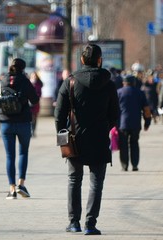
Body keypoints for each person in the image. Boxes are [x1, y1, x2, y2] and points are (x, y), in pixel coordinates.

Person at [54, 44, 120, 235]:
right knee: (96, 182)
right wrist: (103, 128)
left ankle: (74, 222)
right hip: (99, 139)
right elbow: (115, 115)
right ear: (100, 60)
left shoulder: (71, 82)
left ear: (82, 60)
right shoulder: (108, 83)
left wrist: (63, 134)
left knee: (74, 179)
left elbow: (59, 114)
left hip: (75, 139)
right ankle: (90, 224)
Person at [0, 58, 39, 200]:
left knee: (9, 156)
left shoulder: (1, 81)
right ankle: (21, 184)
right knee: (23, 153)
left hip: (6, 123)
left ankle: (11, 189)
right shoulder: (24, 81)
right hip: (24, 122)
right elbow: (35, 100)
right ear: (23, 69)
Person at [117, 75, 151, 171]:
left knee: (123, 145)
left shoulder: (118, 92)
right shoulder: (140, 93)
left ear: (123, 83)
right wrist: (147, 122)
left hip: (122, 124)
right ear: (134, 83)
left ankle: (124, 166)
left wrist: (112, 123)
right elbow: (146, 109)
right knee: (134, 143)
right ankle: (135, 165)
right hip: (136, 124)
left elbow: (113, 110)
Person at [29, 71, 43, 137]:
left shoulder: (38, 84)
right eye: (32, 75)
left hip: (35, 103)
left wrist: (35, 97)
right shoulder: (28, 83)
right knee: (29, 118)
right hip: (28, 103)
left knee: (34, 118)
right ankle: (30, 130)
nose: (34, 77)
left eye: (35, 75)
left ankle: (33, 130)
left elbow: (39, 93)